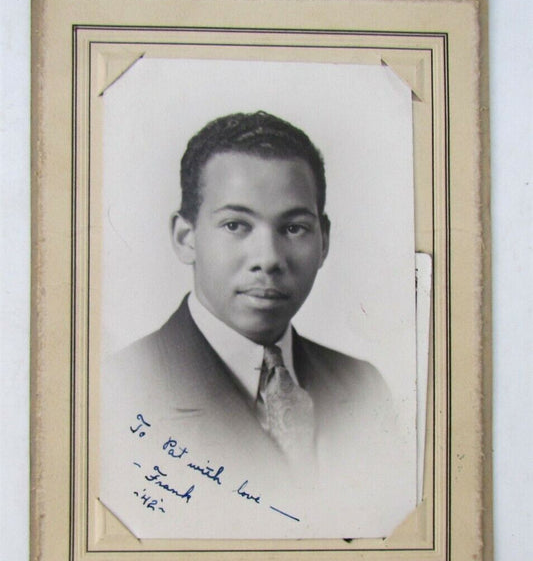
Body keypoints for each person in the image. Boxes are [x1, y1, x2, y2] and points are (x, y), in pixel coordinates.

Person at [102, 111, 406, 538]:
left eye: (294, 228)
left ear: (325, 241)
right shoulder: (113, 392)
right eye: (235, 225)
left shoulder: (362, 386)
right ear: (185, 238)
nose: (268, 257)